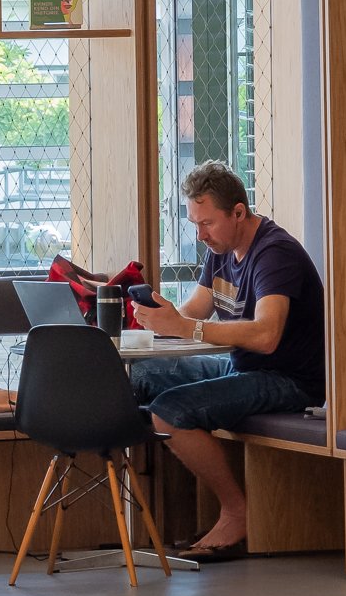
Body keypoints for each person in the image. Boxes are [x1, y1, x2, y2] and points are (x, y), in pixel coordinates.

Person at [126, 160, 325, 561]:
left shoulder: (275, 253)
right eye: (194, 224)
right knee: (138, 375)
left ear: (238, 212)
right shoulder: (221, 247)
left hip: (291, 380)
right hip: (244, 367)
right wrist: (161, 319)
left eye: (207, 223)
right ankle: (13, 398)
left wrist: (184, 329)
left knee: (169, 411)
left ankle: (237, 511)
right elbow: (197, 310)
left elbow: (266, 335)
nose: (200, 235)